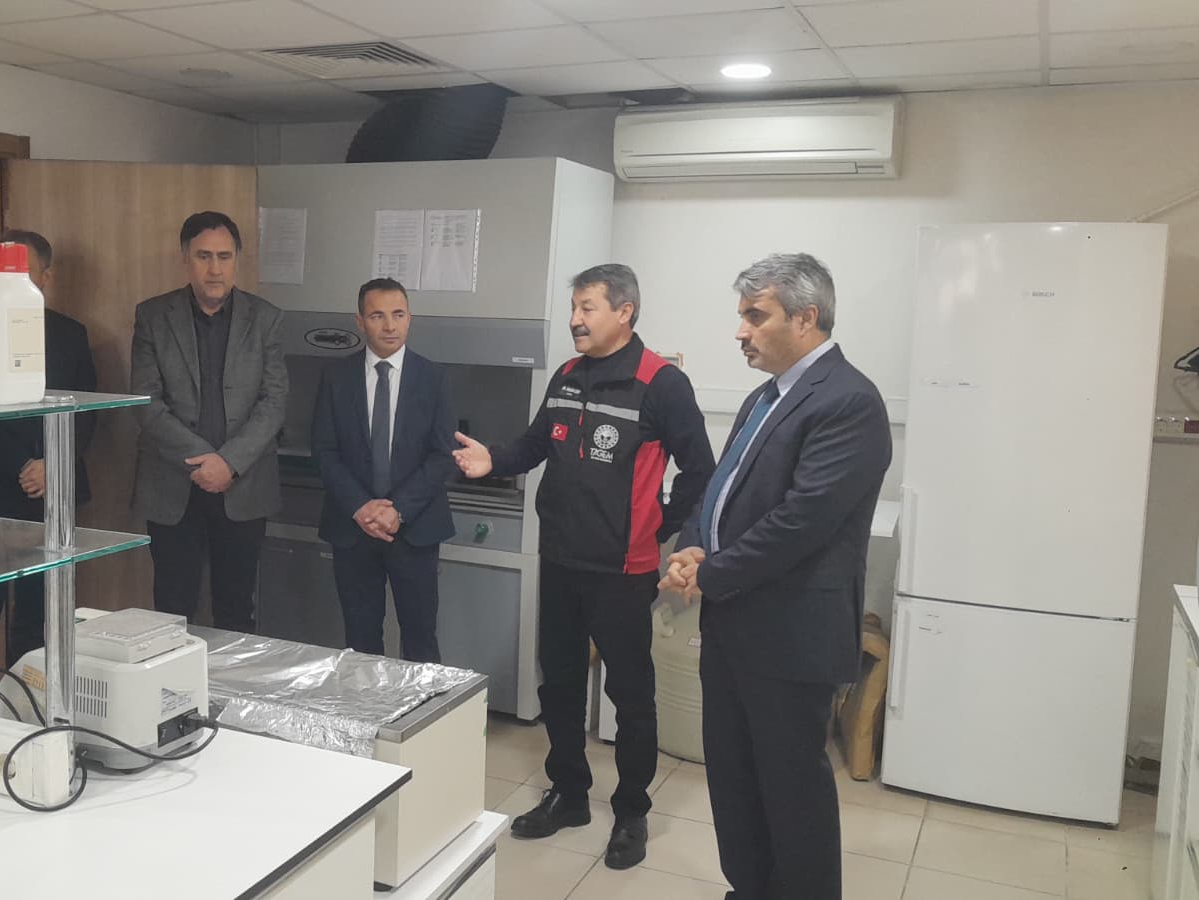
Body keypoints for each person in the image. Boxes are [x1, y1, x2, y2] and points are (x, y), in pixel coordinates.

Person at [454, 263, 714, 871]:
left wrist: (659, 525)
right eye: (573, 307)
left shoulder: (661, 383)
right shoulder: (568, 376)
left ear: (625, 312)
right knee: (560, 683)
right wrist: (493, 460)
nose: (574, 319)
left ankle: (631, 811)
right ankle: (569, 794)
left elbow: (702, 469)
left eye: (587, 307)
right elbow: (534, 446)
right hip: (561, 560)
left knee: (631, 692)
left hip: (623, 569)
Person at [662, 253, 891, 900]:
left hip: (791, 635)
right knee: (734, 779)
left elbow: (802, 520)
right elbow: (721, 488)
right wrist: (691, 545)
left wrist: (712, 573)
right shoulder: (766, 396)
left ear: (806, 317)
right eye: (742, 315)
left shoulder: (849, 401)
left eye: (755, 316)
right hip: (735, 624)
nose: (741, 331)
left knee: (792, 791)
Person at [131, 211, 286, 633]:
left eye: (224, 256)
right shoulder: (153, 316)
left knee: (236, 611)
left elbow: (274, 402)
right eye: (203, 256)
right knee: (172, 610)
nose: (214, 269)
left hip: (243, 485)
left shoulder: (266, 319)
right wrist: (204, 460)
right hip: (173, 485)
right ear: (185, 258)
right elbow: (145, 401)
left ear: (237, 260)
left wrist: (228, 463)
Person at [0, 229, 97, 669]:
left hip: (52, 494)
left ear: (46, 277)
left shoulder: (70, 333)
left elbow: (86, 412)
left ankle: (30, 696)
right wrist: (23, 464)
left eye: (23, 273)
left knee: (40, 614)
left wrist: (53, 465)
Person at [312, 278, 455, 662]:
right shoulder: (336, 377)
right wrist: (361, 507)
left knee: (420, 638)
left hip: (415, 529)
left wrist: (398, 510)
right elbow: (324, 451)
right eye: (377, 316)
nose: (390, 326)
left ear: (410, 318)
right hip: (353, 529)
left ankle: (423, 705)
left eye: (398, 314)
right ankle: (367, 702)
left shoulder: (433, 377)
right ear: (360, 322)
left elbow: (442, 455)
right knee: (361, 640)